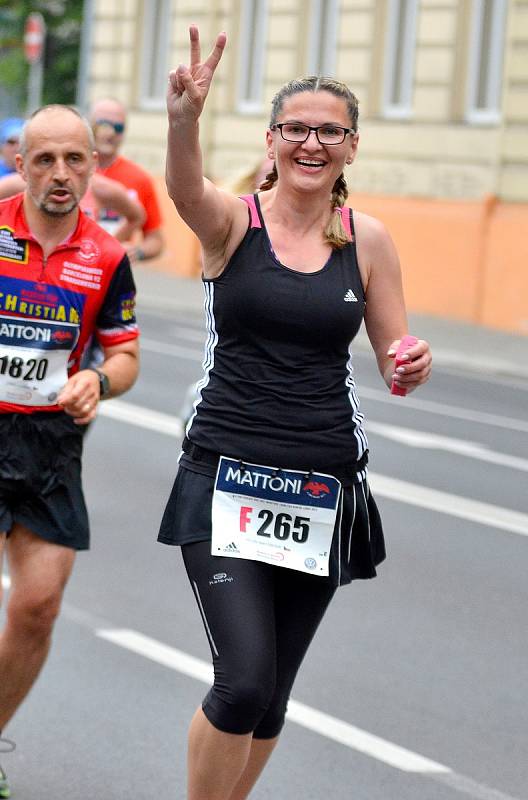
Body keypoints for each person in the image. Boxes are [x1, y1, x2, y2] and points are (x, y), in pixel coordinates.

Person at [159, 26, 432, 800]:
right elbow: (184, 192)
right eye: (296, 129)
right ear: (272, 140)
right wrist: (184, 120)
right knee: (241, 682)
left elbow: (393, 355)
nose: (312, 143)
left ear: (351, 146)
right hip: (226, 476)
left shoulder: (366, 239)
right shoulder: (233, 222)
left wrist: (411, 361)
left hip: (321, 484)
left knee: (271, 695)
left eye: (330, 131)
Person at [0, 104, 140, 798]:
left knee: (38, 606)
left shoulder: (107, 257)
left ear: (93, 164)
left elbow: (125, 353)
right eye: (45, 159)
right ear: (20, 164)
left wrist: (98, 379)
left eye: (74, 159)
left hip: (50, 441)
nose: (60, 174)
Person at [90, 98, 164, 263]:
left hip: (112, 272)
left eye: (118, 128)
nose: (110, 133)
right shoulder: (70, 171)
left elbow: (156, 239)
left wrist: (138, 251)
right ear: (90, 126)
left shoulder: (140, 178)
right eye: (103, 124)